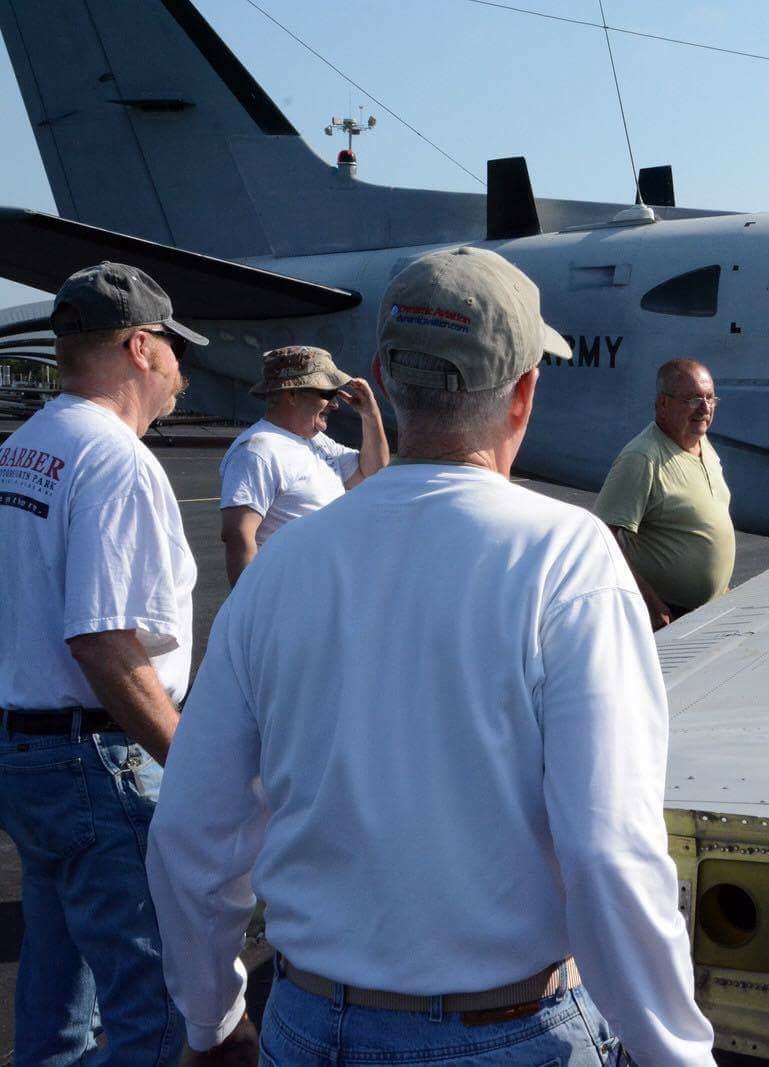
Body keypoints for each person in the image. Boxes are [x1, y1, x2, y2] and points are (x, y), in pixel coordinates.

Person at [146, 246, 716, 1065]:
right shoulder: (566, 559)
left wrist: (211, 1020)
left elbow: (192, 836)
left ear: (384, 376)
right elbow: (609, 849)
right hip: (508, 1031)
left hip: (308, 1023)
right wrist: (675, 1053)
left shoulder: (282, 571)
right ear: (524, 392)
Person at [0, 262, 218, 1064]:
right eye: (172, 350)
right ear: (138, 347)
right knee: (154, 1007)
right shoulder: (115, 459)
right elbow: (102, 638)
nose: (180, 372)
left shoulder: (27, 445)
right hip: (99, 759)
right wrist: (188, 759)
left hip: (29, 755)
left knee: (57, 988)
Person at [218, 345, 388, 585]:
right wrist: (249, 611)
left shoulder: (316, 441)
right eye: (327, 393)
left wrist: (371, 415)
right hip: (287, 598)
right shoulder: (257, 450)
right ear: (292, 395)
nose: (335, 404)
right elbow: (238, 534)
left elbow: (372, 472)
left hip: (322, 595)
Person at [594, 358, 735, 629]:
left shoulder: (701, 442)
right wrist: (649, 603)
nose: (704, 408)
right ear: (663, 405)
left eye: (709, 398)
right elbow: (602, 540)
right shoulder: (642, 457)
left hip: (709, 612)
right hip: (668, 618)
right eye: (693, 399)